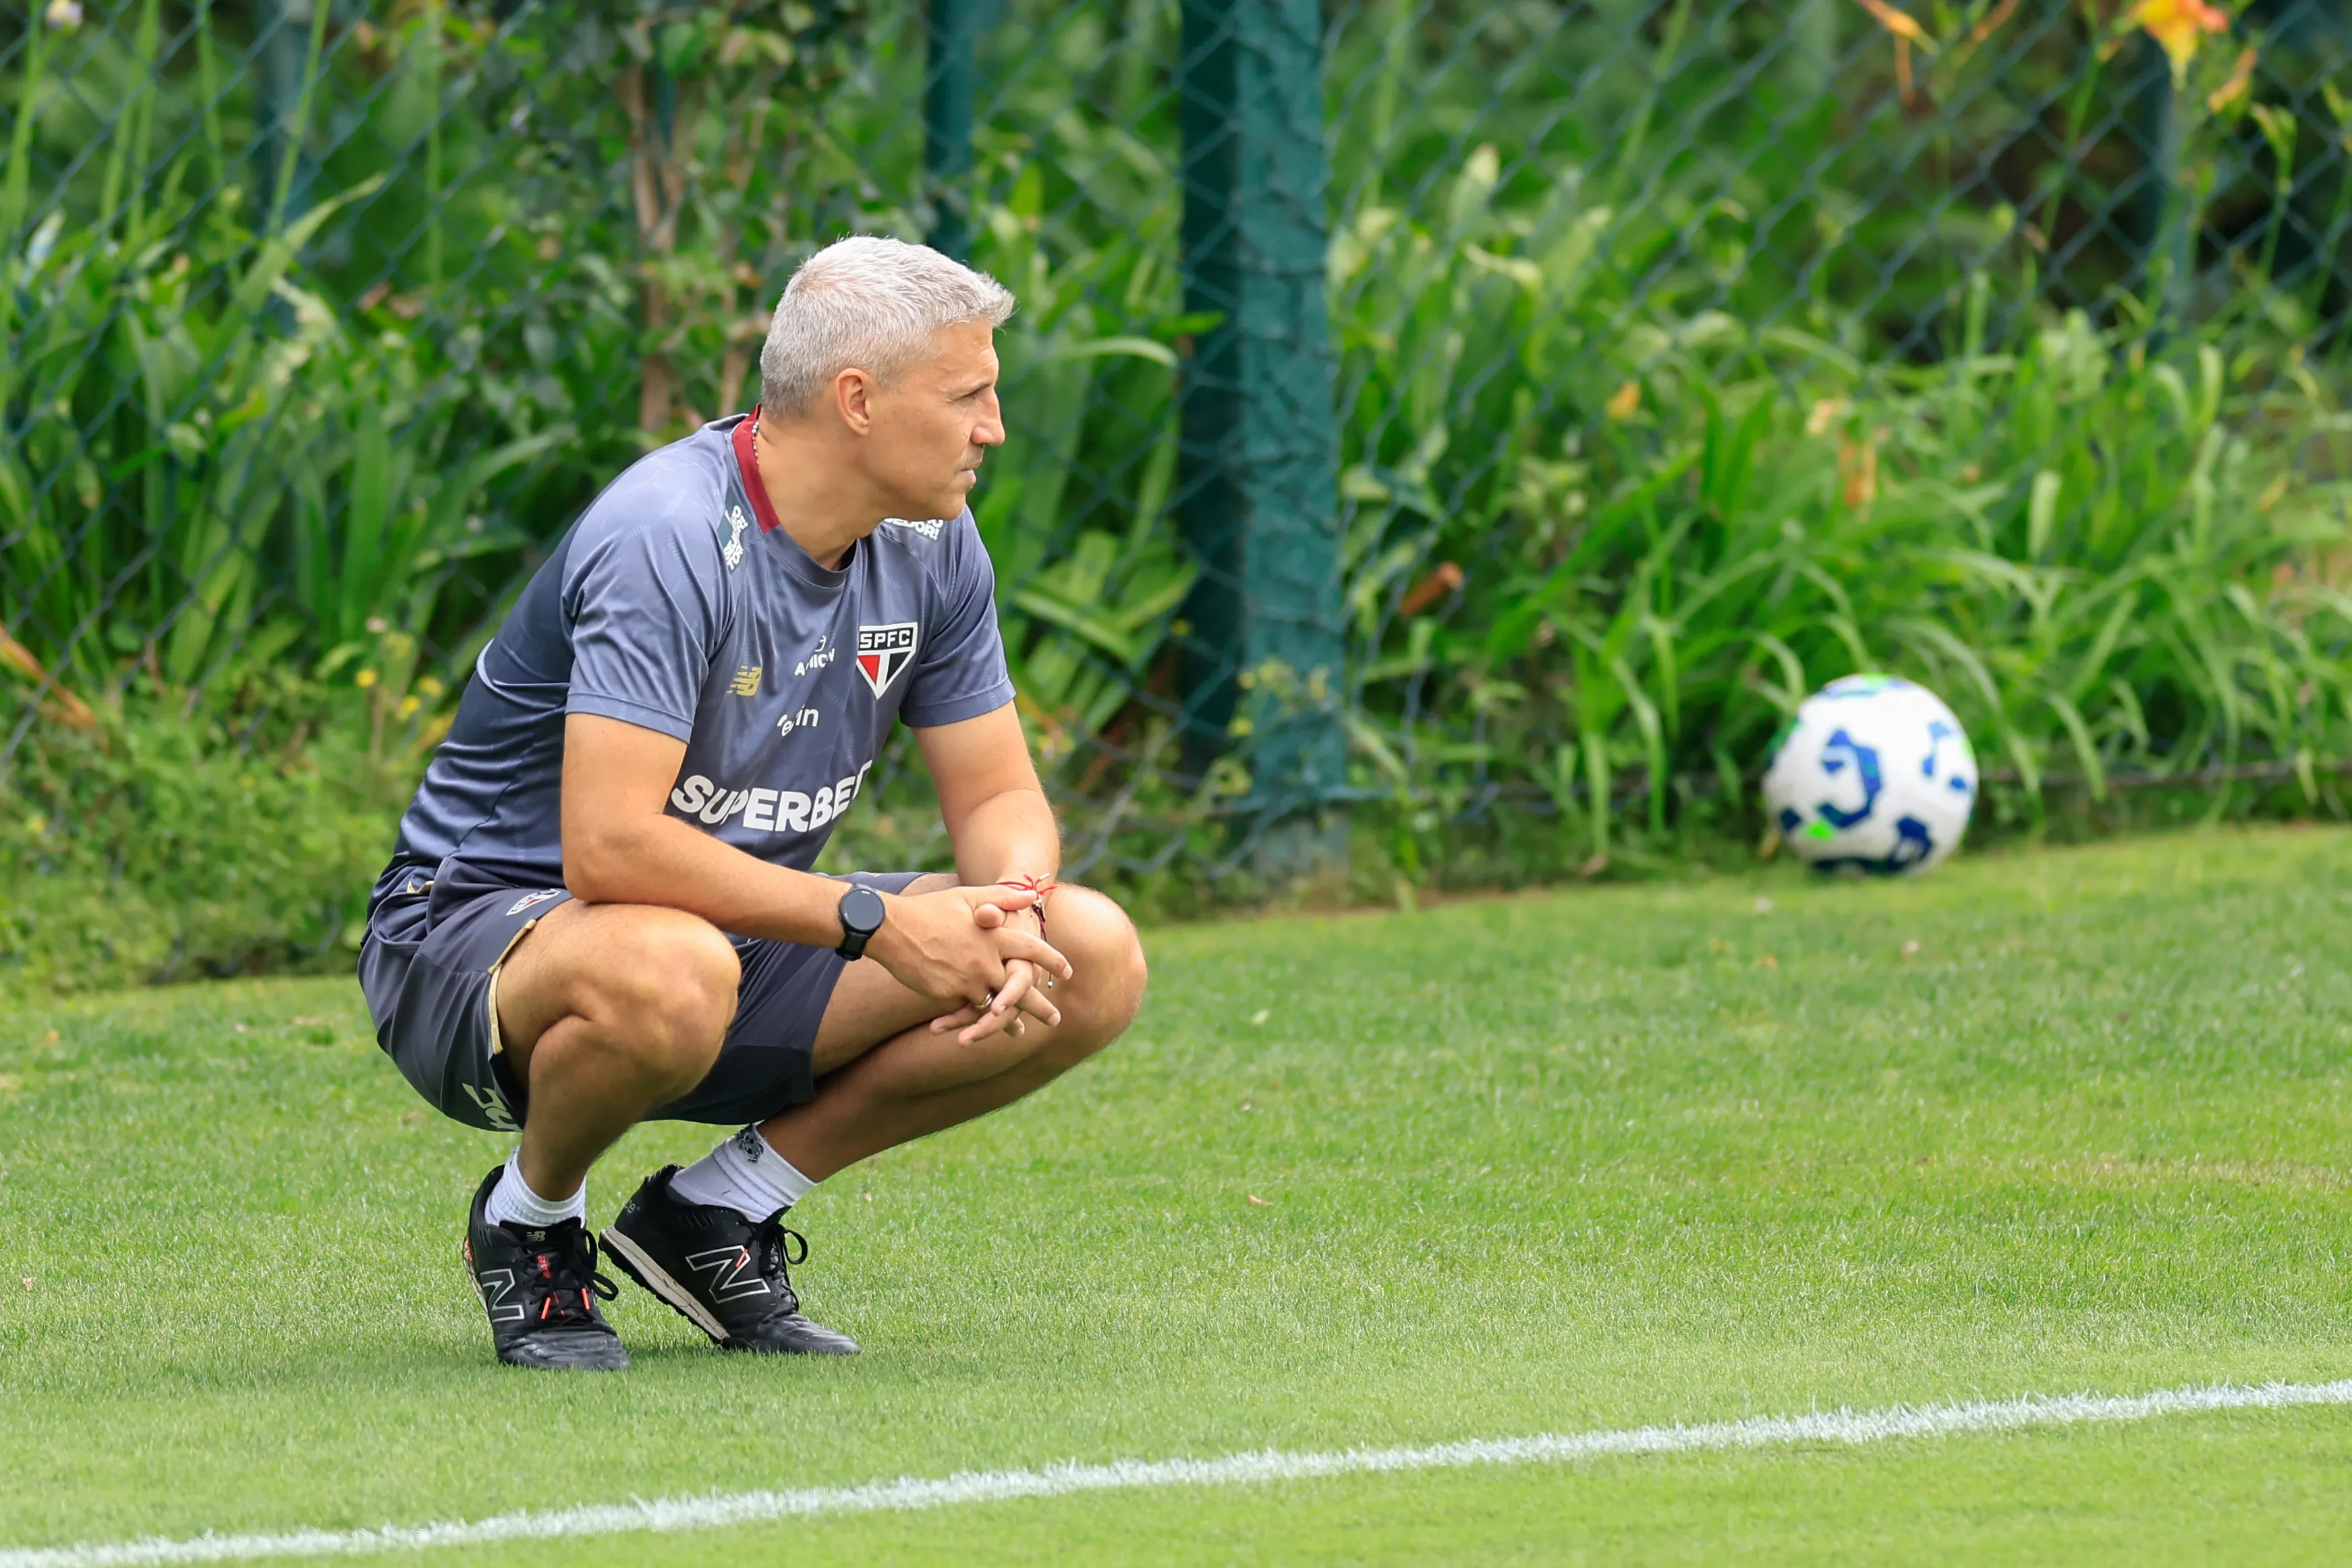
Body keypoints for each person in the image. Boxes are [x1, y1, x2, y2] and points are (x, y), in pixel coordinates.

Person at [358, 236, 1149, 1371]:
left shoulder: (935, 540)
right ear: (858, 400)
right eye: (970, 393)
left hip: (729, 940)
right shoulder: (667, 534)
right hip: (474, 937)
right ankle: (531, 1220)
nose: (995, 427)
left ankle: (715, 1211)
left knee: (1089, 951)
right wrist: (873, 922)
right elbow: (608, 847)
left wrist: (1013, 904)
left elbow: (999, 791)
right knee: (674, 970)